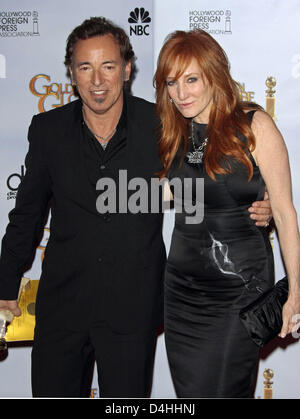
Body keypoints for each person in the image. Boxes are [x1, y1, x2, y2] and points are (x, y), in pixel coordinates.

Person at [0, 18, 271, 398]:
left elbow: (214, 180)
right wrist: (5, 283)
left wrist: (263, 201)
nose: (97, 80)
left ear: (127, 69)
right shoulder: (48, 130)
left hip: (134, 308)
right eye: (85, 67)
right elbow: (26, 215)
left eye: (108, 66)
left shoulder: (165, 125)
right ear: (71, 73)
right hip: (63, 306)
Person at [154, 29, 300, 398]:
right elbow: (164, 194)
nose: (180, 93)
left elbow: (283, 212)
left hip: (239, 288)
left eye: (191, 80)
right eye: (172, 82)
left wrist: (296, 291)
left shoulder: (252, 126)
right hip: (182, 291)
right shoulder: (174, 131)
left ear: (214, 76)